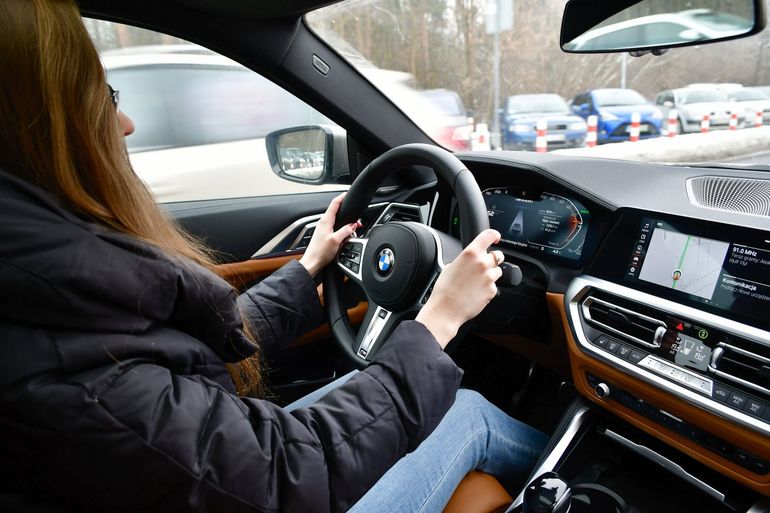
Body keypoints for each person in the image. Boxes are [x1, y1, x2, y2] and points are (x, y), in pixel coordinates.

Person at [0, 1, 547, 512]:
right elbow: (291, 469)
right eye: (107, 96)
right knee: (464, 411)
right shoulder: (71, 366)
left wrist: (308, 268)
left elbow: (190, 353)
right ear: (52, 129)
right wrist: (440, 318)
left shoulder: (52, 299)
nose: (126, 126)